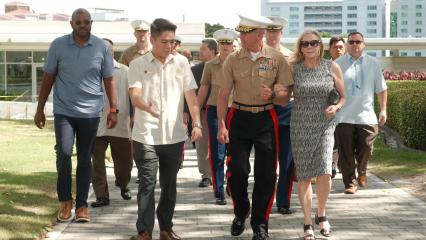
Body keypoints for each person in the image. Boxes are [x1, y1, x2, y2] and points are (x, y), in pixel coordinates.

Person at [34, 8, 116, 223]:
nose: (82, 26)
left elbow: (109, 80)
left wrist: (113, 109)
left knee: (84, 158)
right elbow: (48, 77)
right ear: (71, 24)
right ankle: (65, 201)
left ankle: (81, 205)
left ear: (91, 23)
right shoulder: (58, 45)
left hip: (90, 112)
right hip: (64, 111)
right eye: (78, 22)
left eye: (86, 22)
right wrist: (40, 108)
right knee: (63, 153)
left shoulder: (102, 47)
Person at [217, 14, 293, 240]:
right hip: (238, 117)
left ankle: (260, 223)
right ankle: (241, 211)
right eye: (240, 32)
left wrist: (276, 94)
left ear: (258, 35)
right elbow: (222, 94)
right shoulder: (232, 59)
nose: (239, 36)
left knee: (267, 175)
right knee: (237, 171)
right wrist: (221, 124)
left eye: (244, 32)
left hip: (266, 118)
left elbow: (286, 94)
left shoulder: (277, 58)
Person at [128, 18, 202, 240]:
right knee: (147, 184)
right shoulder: (137, 65)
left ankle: (165, 229)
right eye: (164, 41)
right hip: (145, 135)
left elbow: (192, 98)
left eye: (172, 41)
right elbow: (135, 96)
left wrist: (197, 124)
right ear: (152, 40)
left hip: (174, 136)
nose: (169, 46)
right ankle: (144, 231)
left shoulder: (181, 63)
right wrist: (145, 107)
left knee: (169, 186)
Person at [289, 29, 345, 240]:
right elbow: (284, 94)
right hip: (300, 126)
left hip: (324, 125)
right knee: (303, 175)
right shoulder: (294, 69)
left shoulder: (332, 66)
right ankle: (306, 221)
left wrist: (336, 106)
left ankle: (321, 214)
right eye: (305, 44)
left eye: (314, 43)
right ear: (300, 48)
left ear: (320, 45)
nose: (310, 47)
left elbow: (343, 97)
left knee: (324, 170)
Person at [335, 31, 388, 195]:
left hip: (367, 115)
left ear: (363, 44)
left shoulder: (373, 63)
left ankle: (362, 171)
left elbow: (381, 88)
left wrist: (383, 109)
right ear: (347, 45)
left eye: (358, 42)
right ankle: (349, 183)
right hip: (343, 116)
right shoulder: (337, 63)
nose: (355, 45)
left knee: (366, 145)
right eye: (351, 42)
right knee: (346, 152)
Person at [197, 28, 238, 205]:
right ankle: (219, 190)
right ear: (218, 45)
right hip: (215, 110)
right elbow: (204, 88)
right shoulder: (210, 65)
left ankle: (232, 186)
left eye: (229, 43)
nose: (226, 46)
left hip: (236, 110)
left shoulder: (239, 63)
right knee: (217, 152)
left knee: (235, 151)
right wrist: (195, 114)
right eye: (223, 43)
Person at [90, 38, 132, 208]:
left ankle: (123, 184)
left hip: (120, 124)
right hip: (96, 124)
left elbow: (133, 96)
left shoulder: (125, 71)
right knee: (97, 163)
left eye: (108, 49)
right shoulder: (91, 70)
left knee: (124, 163)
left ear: (113, 51)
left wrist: (135, 116)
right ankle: (102, 196)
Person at [265, 16, 295, 215]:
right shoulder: (256, 54)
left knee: (286, 159)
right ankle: (265, 199)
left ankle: (283, 201)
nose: (273, 34)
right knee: (266, 160)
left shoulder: (292, 56)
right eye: (270, 30)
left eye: (276, 31)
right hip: (263, 110)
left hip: (286, 110)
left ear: (281, 33)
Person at [191, 38, 218, 188]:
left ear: (213, 50)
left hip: (225, 112)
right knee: (202, 145)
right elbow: (189, 93)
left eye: (204, 49)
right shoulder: (195, 70)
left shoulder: (225, 65)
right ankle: (206, 175)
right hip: (203, 112)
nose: (200, 51)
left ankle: (221, 172)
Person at [328, 36, 346, 178]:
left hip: (348, 109)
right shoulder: (325, 66)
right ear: (330, 49)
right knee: (332, 139)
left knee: (345, 140)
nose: (338, 50)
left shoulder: (352, 66)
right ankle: (332, 165)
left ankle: (343, 165)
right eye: (335, 47)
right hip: (330, 109)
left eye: (341, 47)